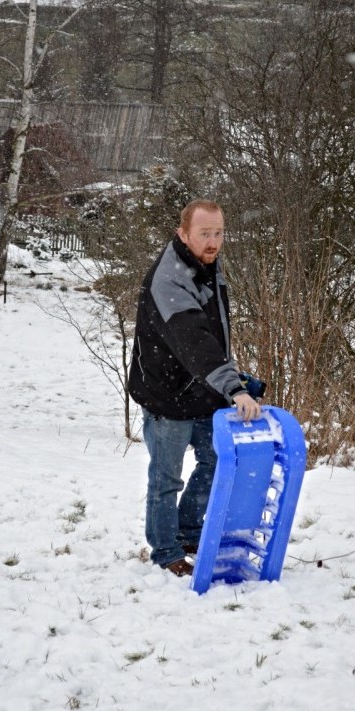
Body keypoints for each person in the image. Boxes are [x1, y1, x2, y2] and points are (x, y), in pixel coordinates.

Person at [128, 199, 261, 577]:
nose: (214, 241)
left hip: (203, 390)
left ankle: (189, 531)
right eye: (205, 233)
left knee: (216, 459)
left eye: (219, 233)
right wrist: (234, 389)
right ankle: (166, 550)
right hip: (166, 394)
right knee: (166, 478)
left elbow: (215, 333)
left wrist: (232, 380)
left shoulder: (207, 266)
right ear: (182, 233)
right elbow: (194, 339)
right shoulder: (169, 278)